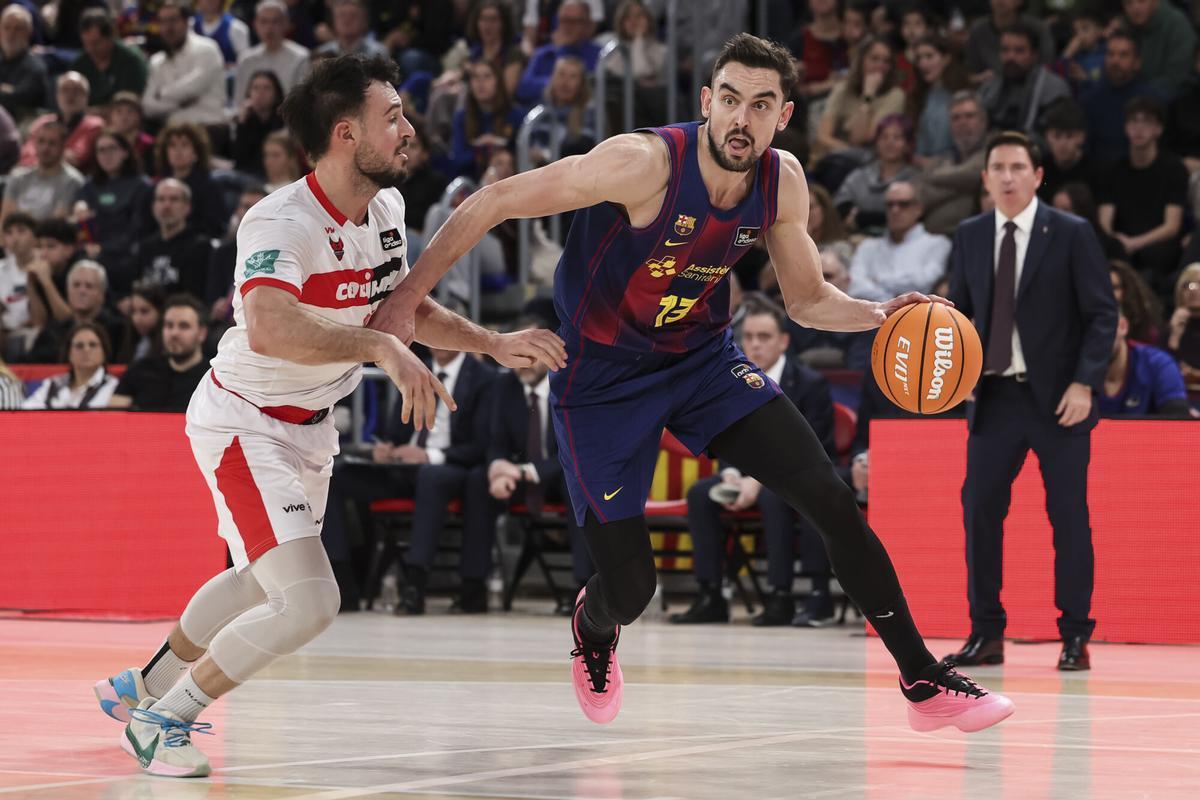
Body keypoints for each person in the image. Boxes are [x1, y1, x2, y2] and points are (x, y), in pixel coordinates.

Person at [378, 33, 1014, 732]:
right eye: (731, 99)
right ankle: (593, 627)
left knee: (831, 499)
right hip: (602, 379)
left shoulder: (782, 181)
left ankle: (922, 679)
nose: (743, 119)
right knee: (632, 588)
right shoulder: (643, 163)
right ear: (708, 101)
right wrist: (407, 299)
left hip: (701, 361)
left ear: (783, 116)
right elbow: (494, 200)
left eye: (761, 105)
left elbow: (805, 300)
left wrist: (876, 314)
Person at [93, 54, 563, 779]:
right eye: (393, 118)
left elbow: (402, 309)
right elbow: (269, 327)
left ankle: (143, 686)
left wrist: (492, 342)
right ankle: (164, 720)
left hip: (310, 427)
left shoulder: (387, 209)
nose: (408, 130)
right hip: (246, 420)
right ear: (347, 134)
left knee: (257, 580)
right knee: (310, 600)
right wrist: (378, 347)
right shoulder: (280, 221)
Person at [946, 131, 1118, 673]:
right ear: (985, 178)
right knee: (979, 511)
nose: (1008, 177)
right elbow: (958, 315)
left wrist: (1084, 382)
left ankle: (1075, 634)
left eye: (1018, 167)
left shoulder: (1071, 233)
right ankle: (985, 632)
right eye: (998, 167)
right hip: (994, 397)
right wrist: (960, 374)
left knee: (1068, 516)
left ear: (1038, 176)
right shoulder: (971, 235)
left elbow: (1102, 315)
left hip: (1059, 399)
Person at [670, 294, 838, 627]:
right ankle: (711, 595)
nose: (755, 345)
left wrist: (759, 482)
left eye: (764, 337)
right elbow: (723, 434)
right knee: (700, 494)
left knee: (776, 497)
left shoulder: (810, 383)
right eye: (748, 337)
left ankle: (781, 595)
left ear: (784, 341)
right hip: (747, 473)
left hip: (796, 474)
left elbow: (816, 448)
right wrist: (731, 473)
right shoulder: (730, 380)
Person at [322, 345, 495, 615]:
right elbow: (396, 429)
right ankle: (343, 583)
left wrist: (429, 455)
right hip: (403, 467)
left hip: (450, 467)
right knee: (337, 475)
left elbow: (482, 444)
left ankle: (415, 585)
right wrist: (386, 448)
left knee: (430, 477)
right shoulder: (413, 366)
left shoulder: (484, 377)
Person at [1097, 96, 1187, 299]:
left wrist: (1136, 243)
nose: (1139, 128)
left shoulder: (1173, 169)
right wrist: (1116, 239)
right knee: (1104, 247)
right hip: (1122, 242)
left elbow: (1172, 225)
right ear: (1125, 128)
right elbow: (1104, 220)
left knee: (1156, 255)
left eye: (1146, 122)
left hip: (1156, 243)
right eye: (1133, 121)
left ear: (1158, 129)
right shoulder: (1113, 170)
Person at [73, 129, 154, 295]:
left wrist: (103, 248)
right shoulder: (89, 186)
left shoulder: (141, 185)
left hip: (124, 253)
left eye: (112, 149)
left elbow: (138, 229)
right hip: (92, 250)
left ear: (125, 152)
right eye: (101, 150)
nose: (107, 155)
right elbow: (81, 224)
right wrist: (79, 209)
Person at [847, 180, 951, 301]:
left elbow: (924, 282)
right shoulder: (867, 247)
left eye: (904, 204)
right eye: (890, 205)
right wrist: (893, 301)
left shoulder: (938, 243)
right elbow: (855, 287)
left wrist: (877, 280)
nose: (895, 210)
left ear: (918, 209)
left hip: (920, 312)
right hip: (874, 311)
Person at [109, 294, 210, 412]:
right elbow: (113, 415)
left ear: (202, 333)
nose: (174, 333)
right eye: (169, 325)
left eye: (184, 326)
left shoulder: (214, 378)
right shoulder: (140, 369)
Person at [142, 0, 228, 127]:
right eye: (163, 22)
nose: (168, 27)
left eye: (173, 20)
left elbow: (192, 88)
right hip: (172, 130)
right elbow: (147, 106)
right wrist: (180, 104)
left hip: (208, 125)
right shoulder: (157, 61)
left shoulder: (207, 49)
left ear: (186, 22)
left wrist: (161, 94)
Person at [978, 21, 1070, 134]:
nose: (1011, 57)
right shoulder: (989, 87)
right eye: (1005, 50)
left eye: (1019, 51)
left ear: (1034, 55)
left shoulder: (1054, 89)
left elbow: (1056, 135)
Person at [919, 90, 989, 236]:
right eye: (956, 118)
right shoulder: (940, 160)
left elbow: (975, 173)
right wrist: (965, 186)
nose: (963, 123)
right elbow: (919, 197)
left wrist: (932, 179)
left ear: (983, 121)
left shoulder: (993, 151)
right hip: (929, 238)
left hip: (969, 237)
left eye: (969, 116)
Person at [131, 179, 214, 300]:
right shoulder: (145, 247)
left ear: (187, 207)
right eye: (161, 199)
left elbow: (194, 296)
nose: (166, 206)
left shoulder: (200, 247)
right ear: (153, 206)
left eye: (174, 199)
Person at [1100, 313, 1191, 417]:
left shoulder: (1158, 363)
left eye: (1100, 329)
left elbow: (1178, 419)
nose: (1093, 341)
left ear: (1122, 326)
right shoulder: (1082, 371)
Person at [515, 0, 601, 105]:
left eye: (574, 21)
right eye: (564, 20)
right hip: (544, 112)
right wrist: (555, 80)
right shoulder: (543, 54)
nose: (568, 26)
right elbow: (522, 89)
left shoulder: (599, 56)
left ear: (587, 24)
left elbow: (592, 90)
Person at [18, 72, 105, 173]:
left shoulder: (95, 125)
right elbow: (26, 155)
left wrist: (41, 160)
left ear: (86, 96)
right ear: (57, 95)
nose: (70, 95)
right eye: (65, 90)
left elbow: (75, 158)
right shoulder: (42, 122)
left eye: (77, 90)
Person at [0, 122, 85, 223]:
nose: (45, 148)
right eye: (41, 141)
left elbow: (56, 224)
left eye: (52, 143)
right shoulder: (17, 177)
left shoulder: (72, 181)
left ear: (63, 146)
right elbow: (5, 221)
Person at [22, 322, 119, 409]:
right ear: (69, 353)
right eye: (79, 346)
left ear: (104, 352)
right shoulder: (52, 384)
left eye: (93, 345)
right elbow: (26, 412)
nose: (86, 350)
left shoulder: (113, 387)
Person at [233, 0, 310, 106]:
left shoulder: (300, 57)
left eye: (275, 22)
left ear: (286, 24)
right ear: (255, 24)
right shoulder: (245, 59)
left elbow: (302, 103)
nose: (269, 28)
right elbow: (239, 102)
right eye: (264, 22)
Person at [1120, 0, 1196, 101]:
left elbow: (1179, 77)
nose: (1135, 8)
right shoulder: (1126, 25)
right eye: (1128, 3)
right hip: (1135, 95)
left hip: (1174, 99)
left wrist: (1140, 93)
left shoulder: (1177, 24)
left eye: (1141, 1)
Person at [73, 8, 149, 108]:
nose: (90, 49)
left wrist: (97, 112)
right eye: (86, 44)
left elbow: (132, 105)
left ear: (111, 36)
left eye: (95, 43)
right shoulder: (81, 63)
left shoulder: (131, 61)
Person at [232, 69, 286, 177]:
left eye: (267, 88)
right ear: (249, 93)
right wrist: (241, 122)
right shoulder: (245, 120)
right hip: (245, 174)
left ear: (276, 94)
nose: (261, 93)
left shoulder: (283, 120)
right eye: (255, 88)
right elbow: (239, 160)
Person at [0, 4, 49, 122]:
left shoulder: (35, 67)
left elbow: (19, 98)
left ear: (29, 32)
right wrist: (6, 89)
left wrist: (11, 93)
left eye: (18, 28)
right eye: (7, 27)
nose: (11, 34)